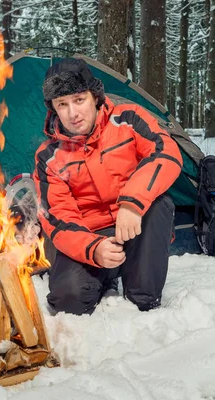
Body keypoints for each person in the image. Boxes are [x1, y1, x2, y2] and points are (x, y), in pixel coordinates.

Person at [33, 58, 182, 315]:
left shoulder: (129, 120)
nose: (73, 113)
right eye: (62, 104)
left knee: (160, 203)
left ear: (95, 96)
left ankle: (142, 296)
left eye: (79, 100)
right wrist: (93, 248)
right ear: (53, 109)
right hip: (89, 236)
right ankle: (105, 272)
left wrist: (133, 203)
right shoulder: (48, 156)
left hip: (135, 225)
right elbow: (57, 217)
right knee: (67, 302)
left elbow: (166, 153)